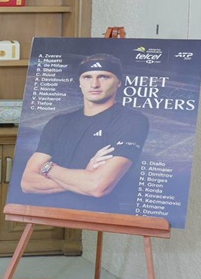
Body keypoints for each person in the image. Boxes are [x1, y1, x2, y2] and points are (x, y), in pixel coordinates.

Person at [20, 53, 150, 214]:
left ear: (119, 82)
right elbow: (27, 182)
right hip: (49, 213)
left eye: (104, 77)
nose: (94, 84)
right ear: (80, 83)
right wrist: (85, 174)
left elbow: (98, 186)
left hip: (98, 215)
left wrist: (48, 168)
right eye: (87, 77)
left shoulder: (132, 121)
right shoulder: (59, 122)